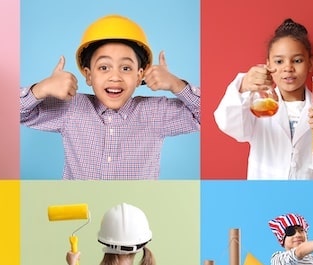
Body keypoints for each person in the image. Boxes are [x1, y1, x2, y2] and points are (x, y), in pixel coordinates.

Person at [20, 14, 201, 180]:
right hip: (81, 209)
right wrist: (42, 88)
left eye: (126, 68)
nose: (115, 77)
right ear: (88, 75)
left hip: (134, 211)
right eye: (104, 67)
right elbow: (19, 113)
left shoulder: (155, 112)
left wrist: (176, 85)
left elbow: (206, 115)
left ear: (139, 76)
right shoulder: (71, 108)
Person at [214, 18, 313, 179]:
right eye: (279, 61)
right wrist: (243, 87)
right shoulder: (258, 106)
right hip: (267, 198)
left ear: (310, 63)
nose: (288, 68)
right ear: (268, 64)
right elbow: (227, 123)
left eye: (297, 60)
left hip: (312, 200)